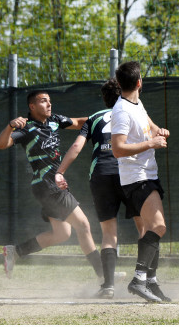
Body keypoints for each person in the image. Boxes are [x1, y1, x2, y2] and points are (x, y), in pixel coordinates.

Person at [0, 90, 103, 281]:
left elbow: (79, 123)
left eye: (49, 101)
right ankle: (105, 275)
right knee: (84, 225)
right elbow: (2, 144)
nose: (49, 104)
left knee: (62, 234)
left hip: (51, 187)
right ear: (32, 106)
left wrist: (102, 118)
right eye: (43, 101)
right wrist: (10, 126)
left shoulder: (55, 120)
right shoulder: (26, 128)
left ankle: (16, 252)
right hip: (47, 185)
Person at [56, 78, 144, 299]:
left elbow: (77, 146)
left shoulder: (94, 118)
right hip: (128, 172)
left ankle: (108, 286)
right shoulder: (134, 112)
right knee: (144, 228)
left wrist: (60, 171)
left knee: (108, 233)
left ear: (104, 99)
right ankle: (145, 279)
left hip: (101, 174)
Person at [111, 61, 171, 303]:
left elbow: (148, 123)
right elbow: (118, 149)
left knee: (148, 230)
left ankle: (151, 282)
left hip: (146, 175)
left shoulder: (136, 103)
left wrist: (158, 131)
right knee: (159, 227)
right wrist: (151, 143)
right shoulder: (121, 111)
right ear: (139, 83)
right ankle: (138, 279)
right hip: (137, 178)